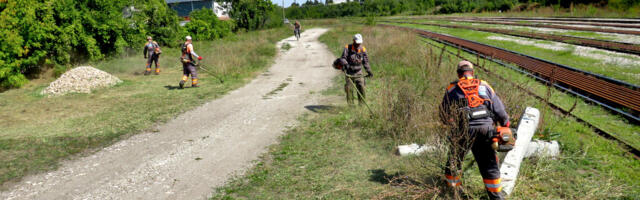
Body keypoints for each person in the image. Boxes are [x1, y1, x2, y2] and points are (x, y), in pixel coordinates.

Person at [439, 60, 511, 200]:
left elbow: (443, 113)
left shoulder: (452, 88)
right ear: (472, 72)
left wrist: (451, 125)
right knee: (489, 165)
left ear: (459, 74)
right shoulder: (485, 85)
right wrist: (505, 125)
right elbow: (500, 111)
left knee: (454, 161)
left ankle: (454, 194)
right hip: (487, 129)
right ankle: (496, 197)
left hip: (464, 130)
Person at [341, 33, 373, 105]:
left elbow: (366, 62)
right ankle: (351, 106)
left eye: (359, 43)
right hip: (349, 73)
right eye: (357, 42)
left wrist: (369, 71)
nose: (358, 44)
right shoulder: (347, 48)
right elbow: (343, 58)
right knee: (349, 89)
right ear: (353, 41)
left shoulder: (363, 49)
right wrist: (345, 64)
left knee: (362, 88)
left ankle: (362, 105)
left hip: (359, 73)